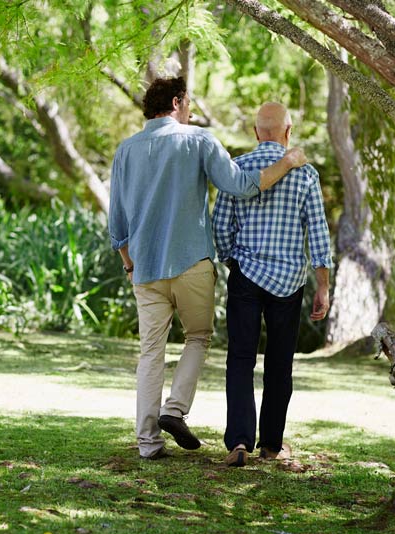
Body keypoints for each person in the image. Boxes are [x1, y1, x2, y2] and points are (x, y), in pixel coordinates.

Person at [108, 78, 308, 460]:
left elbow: (117, 226)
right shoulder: (198, 140)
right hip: (191, 265)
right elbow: (242, 185)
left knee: (151, 352)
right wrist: (286, 161)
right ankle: (175, 408)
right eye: (188, 103)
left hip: (145, 269)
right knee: (198, 336)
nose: (191, 110)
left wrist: (129, 265)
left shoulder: (126, 151)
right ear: (176, 101)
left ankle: (148, 443)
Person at [212, 101, 333, 467]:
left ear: (255, 132)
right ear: (288, 131)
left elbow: (220, 226)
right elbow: (319, 233)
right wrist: (323, 286)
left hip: (246, 276)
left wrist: (234, 260)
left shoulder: (238, 169)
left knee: (241, 359)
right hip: (290, 282)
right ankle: (272, 445)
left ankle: (239, 443)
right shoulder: (306, 175)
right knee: (280, 365)